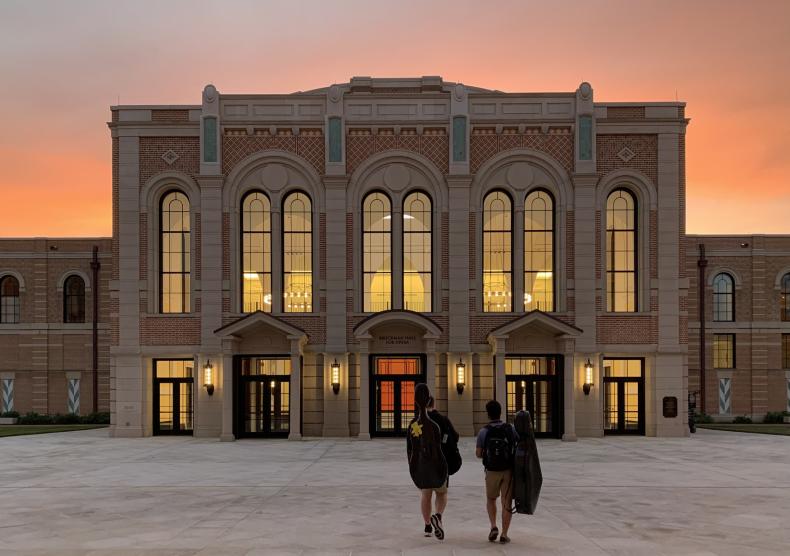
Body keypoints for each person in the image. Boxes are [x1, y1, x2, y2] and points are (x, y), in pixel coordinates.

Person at [476, 399, 519, 544]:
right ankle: (504, 534)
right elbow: (517, 444)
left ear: (488, 414)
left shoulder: (484, 431)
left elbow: (478, 453)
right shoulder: (510, 428)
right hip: (507, 470)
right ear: (500, 412)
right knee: (506, 502)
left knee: (491, 499)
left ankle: (493, 526)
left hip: (491, 471)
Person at [417, 395, 459, 540]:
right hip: (441, 463)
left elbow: (413, 444)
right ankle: (438, 516)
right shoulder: (443, 420)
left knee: (425, 495)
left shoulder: (419, 421)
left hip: (424, 464)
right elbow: (456, 437)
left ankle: (427, 525)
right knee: (441, 493)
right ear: (434, 404)